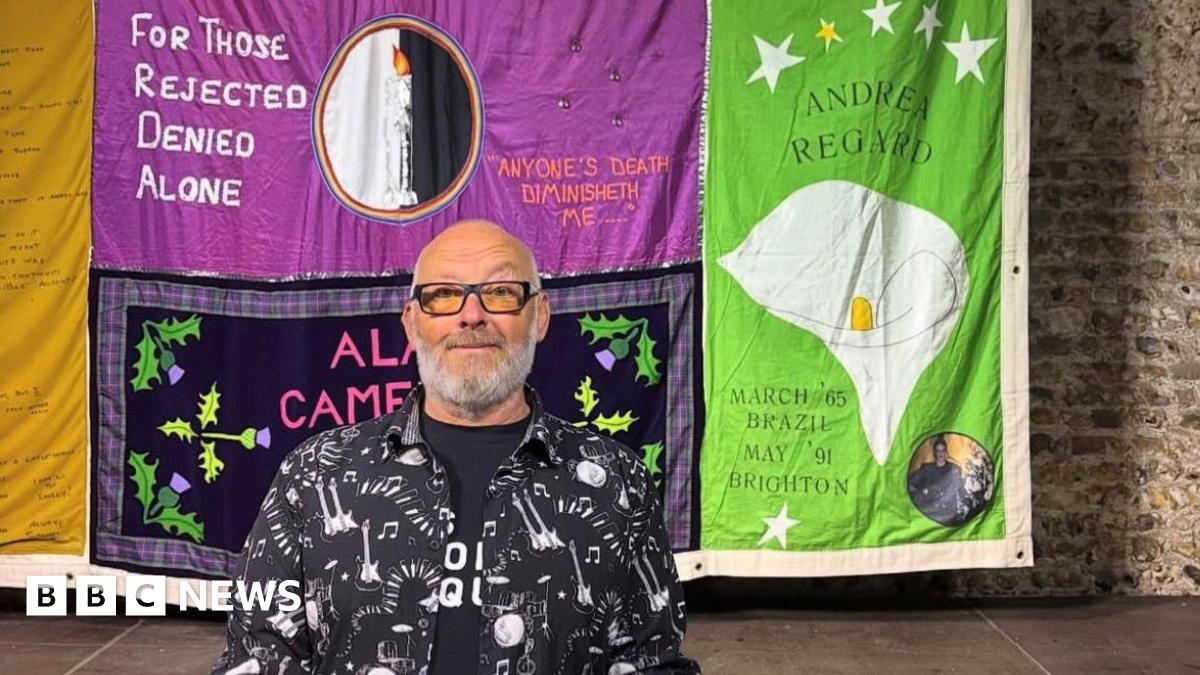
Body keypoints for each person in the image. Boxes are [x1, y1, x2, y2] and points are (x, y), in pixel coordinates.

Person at [212, 220, 700, 674]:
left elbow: (651, 661)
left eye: (501, 292)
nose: (472, 315)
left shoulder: (615, 481)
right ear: (411, 323)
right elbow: (257, 656)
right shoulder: (314, 474)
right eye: (444, 295)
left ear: (540, 316)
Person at [907, 435, 965, 526]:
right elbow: (910, 483)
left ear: (946, 452)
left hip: (948, 515)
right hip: (930, 513)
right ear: (935, 453)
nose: (940, 454)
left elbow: (961, 491)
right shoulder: (927, 469)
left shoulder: (954, 470)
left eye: (942, 451)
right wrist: (921, 493)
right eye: (938, 451)